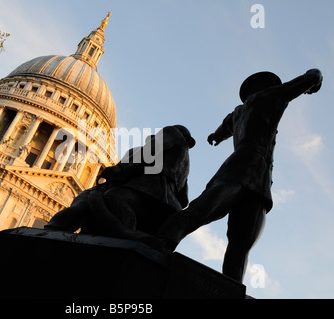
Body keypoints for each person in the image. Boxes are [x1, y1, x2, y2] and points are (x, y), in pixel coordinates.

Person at [156, 69, 323, 282]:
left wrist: (216, 136)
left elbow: (223, 129)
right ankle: (162, 244)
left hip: (244, 173)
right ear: (269, 85)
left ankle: (162, 243)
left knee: (205, 216)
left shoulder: (238, 113)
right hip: (250, 171)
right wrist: (315, 81)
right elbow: (312, 76)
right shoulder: (270, 96)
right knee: (236, 242)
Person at [45, 125, 195, 249]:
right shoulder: (185, 166)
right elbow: (184, 200)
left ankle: (50, 233)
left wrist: (120, 169)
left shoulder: (172, 133)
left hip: (147, 193)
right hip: (168, 209)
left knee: (92, 200)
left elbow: (149, 154)